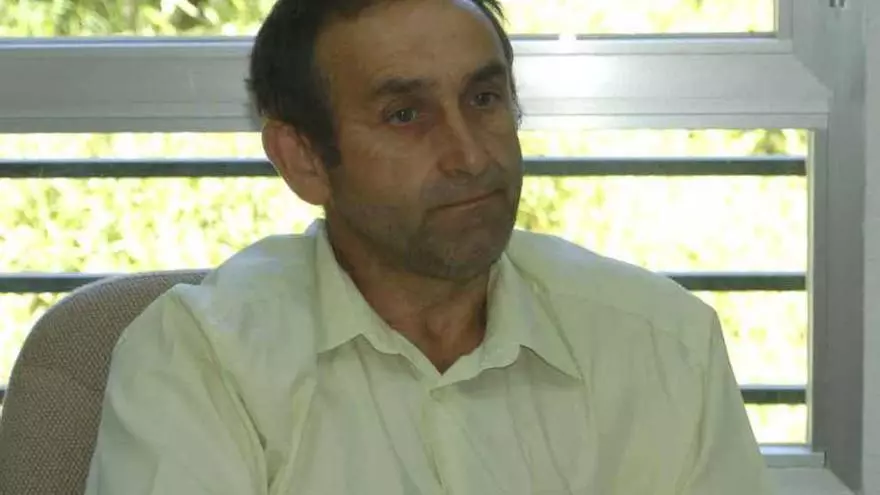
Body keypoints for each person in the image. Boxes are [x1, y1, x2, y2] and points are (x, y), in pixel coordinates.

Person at [84, 0, 774, 493]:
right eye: (405, 114)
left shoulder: (663, 344)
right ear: (303, 159)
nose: (470, 156)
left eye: (484, 99)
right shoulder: (204, 359)